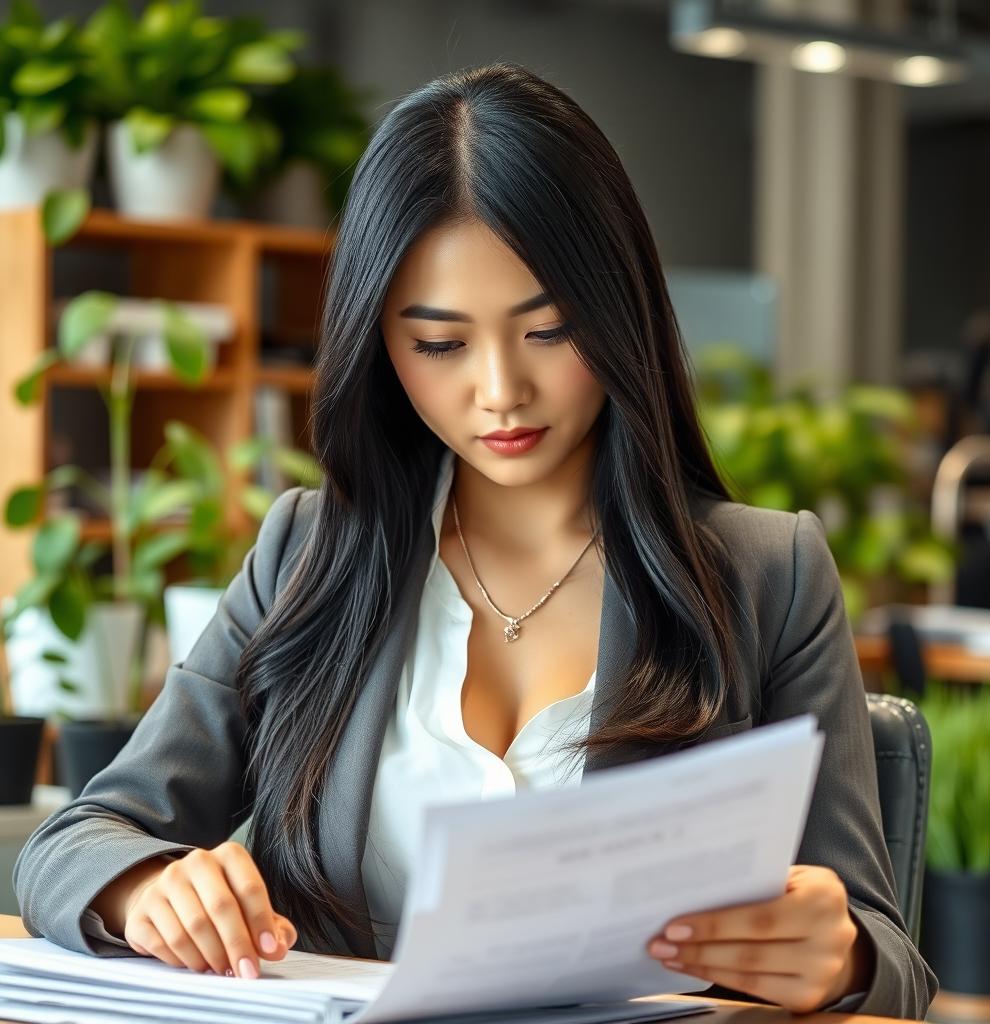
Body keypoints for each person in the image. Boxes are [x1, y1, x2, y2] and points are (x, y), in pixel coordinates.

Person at [14, 61, 937, 1019]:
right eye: (442, 345)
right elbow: (81, 838)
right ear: (379, 343)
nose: (500, 391)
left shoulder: (766, 574)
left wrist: (842, 959)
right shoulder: (308, 552)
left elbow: (890, 963)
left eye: (549, 331)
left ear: (621, 314)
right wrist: (144, 889)